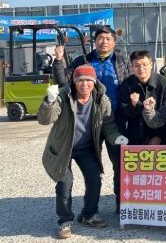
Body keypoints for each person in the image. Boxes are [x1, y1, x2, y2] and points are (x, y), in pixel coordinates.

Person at [37, 65, 128, 239]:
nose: (84, 84)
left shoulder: (102, 99)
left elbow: (108, 124)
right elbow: (46, 119)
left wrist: (116, 137)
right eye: (80, 80)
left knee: (94, 179)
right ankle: (64, 221)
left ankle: (89, 214)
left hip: (86, 148)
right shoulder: (63, 96)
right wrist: (49, 101)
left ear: (94, 82)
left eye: (88, 80)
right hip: (63, 148)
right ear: (74, 82)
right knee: (65, 182)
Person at [52, 25, 130, 213]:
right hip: (88, 122)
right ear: (94, 41)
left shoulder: (122, 60)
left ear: (114, 41)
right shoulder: (83, 61)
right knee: (93, 168)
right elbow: (63, 81)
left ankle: (122, 204)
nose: (104, 42)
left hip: (114, 120)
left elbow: (132, 83)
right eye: (100, 38)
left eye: (108, 38)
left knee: (120, 164)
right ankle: (89, 210)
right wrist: (59, 60)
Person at [119, 51, 166, 146]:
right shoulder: (127, 84)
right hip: (135, 137)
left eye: (144, 64)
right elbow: (123, 113)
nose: (141, 68)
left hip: (161, 137)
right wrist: (132, 105)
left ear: (151, 65)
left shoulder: (163, 83)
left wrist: (158, 136)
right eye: (136, 66)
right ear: (132, 67)